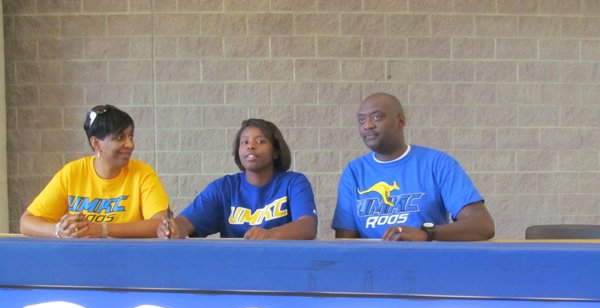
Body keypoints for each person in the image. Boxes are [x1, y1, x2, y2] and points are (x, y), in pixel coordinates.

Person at [332, 92, 494, 241]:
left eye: (377, 117)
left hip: (427, 267)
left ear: (400, 121)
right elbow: (345, 241)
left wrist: (426, 233)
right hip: (373, 269)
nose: (367, 125)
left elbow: (482, 225)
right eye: (361, 120)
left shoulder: (437, 163)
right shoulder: (354, 171)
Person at [20, 104, 170, 238]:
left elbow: (162, 224)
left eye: (130, 136)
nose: (130, 144)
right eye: (120, 137)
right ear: (96, 143)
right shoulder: (72, 173)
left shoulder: (142, 173)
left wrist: (103, 229)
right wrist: (60, 230)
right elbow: (26, 222)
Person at [158, 118, 317, 240]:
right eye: (244, 142)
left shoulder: (294, 183)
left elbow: (307, 226)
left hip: (284, 270)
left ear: (275, 151)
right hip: (234, 271)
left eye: (260, 141)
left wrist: (270, 235)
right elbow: (186, 222)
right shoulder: (223, 188)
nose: (250, 146)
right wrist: (173, 228)